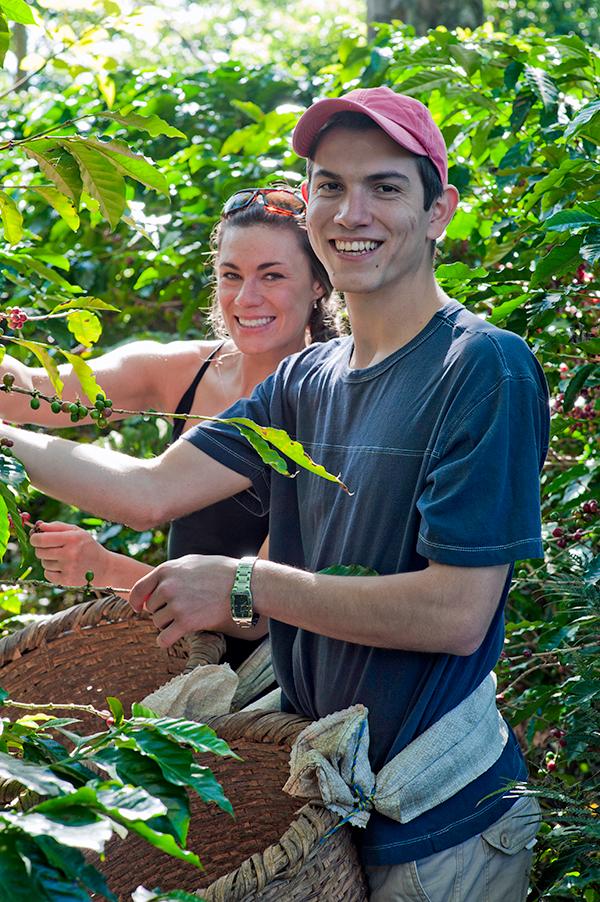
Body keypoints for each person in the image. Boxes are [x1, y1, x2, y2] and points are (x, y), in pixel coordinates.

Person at [1, 89, 549, 901]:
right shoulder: (306, 381)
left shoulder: (480, 368)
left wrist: (246, 583)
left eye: (385, 187)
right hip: (325, 802)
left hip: (441, 824)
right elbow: (151, 491)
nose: (349, 210)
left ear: (440, 211)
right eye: (329, 185)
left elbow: (455, 613)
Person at [1, 186, 338, 663]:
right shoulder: (184, 371)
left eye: (273, 275)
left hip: (266, 690)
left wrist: (103, 567)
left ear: (319, 283)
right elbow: (29, 394)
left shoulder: (327, 407)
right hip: (183, 657)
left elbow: (255, 613)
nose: (246, 297)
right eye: (231, 275)